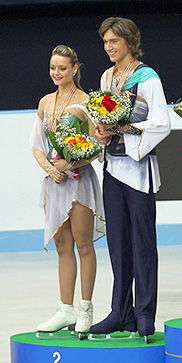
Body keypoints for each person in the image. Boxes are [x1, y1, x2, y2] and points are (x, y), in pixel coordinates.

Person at [90, 17, 171, 340]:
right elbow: (101, 118)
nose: (109, 47)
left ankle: (144, 313)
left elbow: (161, 123)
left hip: (138, 170)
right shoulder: (107, 77)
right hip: (112, 167)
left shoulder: (147, 77)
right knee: (118, 244)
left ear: (129, 42)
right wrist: (100, 131)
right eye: (106, 42)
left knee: (142, 243)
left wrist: (123, 129)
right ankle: (120, 312)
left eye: (114, 41)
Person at [31, 45, 105, 336]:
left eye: (62, 68)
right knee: (63, 246)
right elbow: (37, 145)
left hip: (79, 181)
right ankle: (65, 309)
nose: (56, 73)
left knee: (84, 245)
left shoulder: (87, 103)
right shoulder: (45, 102)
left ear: (74, 68)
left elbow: (97, 146)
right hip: (55, 181)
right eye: (52, 68)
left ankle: (85, 308)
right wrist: (51, 169)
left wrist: (74, 160)